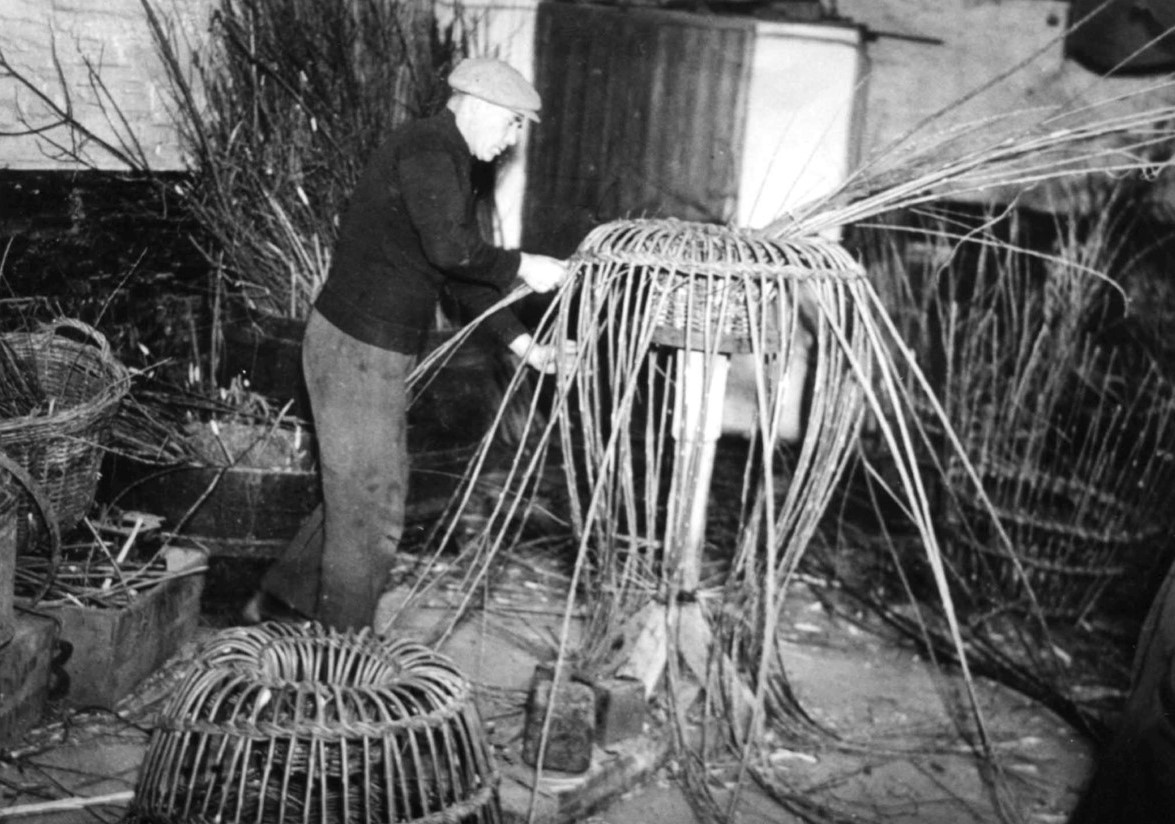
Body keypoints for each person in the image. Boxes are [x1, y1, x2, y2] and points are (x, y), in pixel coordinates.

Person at [244, 57, 574, 631]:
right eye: (514, 123)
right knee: (372, 507)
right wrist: (526, 263)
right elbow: (454, 252)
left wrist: (528, 348)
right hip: (355, 349)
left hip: (369, 350)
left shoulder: (449, 161)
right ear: (481, 106)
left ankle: (278, 604)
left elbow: (458, 277)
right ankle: (340, 658)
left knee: (359, 492)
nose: (513, 138)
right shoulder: (428, 149)